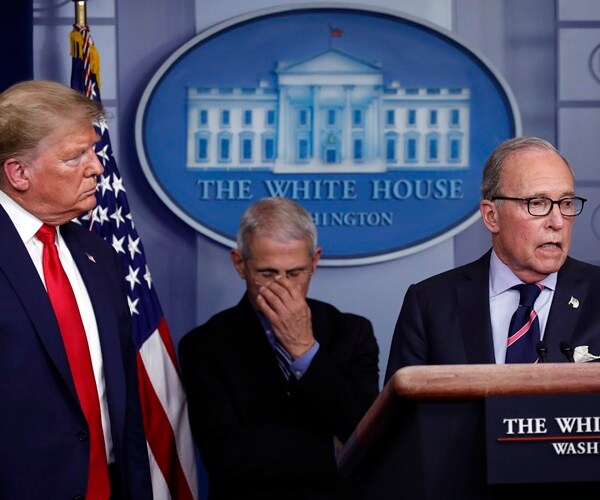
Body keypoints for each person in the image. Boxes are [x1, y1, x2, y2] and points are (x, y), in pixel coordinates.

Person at [0, 80, 152, 498]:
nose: (97, 167)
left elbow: (123, 402)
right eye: (75, 156)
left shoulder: (98, 254)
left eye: (93, 150)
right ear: (18, 173)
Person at [179, 197, 379, 500]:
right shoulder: (204, 346)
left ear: (314, 261)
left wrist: (304, 349)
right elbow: (225, 458)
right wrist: (330, 447)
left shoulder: (352, 332)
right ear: (240, 264)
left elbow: (365, 435)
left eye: (295, 273)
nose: (283, 287)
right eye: (268, 273)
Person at [385, 136, 600, 381]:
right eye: (537, 203)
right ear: (491, 216)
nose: (558, 222)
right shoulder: (429, 304)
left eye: (566, 203)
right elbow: (402, 416)